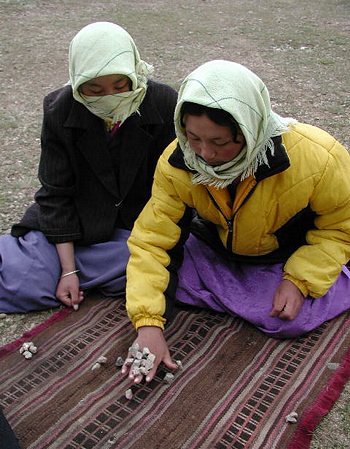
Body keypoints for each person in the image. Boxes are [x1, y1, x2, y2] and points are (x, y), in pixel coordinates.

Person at [123, 60, 350, 383]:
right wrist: (148, 324)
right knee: (141, 277)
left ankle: (317, 283)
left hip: (282, 256)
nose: (205, 154)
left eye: (220, 142)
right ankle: (234, 292)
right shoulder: (177, 160)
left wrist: (299, 280)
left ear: (250, 127)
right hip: (217, 249)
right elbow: (152, 240)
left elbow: (340, 227)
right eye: (193, 137)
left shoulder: (319, 158)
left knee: (289, 319)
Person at [0, 22, 177, 313]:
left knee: (167, 266)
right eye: (94, 90)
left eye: (121, 86)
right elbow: (56, 194)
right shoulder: (60, 109)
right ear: (77, 82)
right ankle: (84, 271)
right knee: (22, 282)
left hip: (139, 228)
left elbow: (172, 190)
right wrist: (68, 270)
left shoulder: (163, 102)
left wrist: (149, 243)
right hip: (78, 227)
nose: (109, 97)